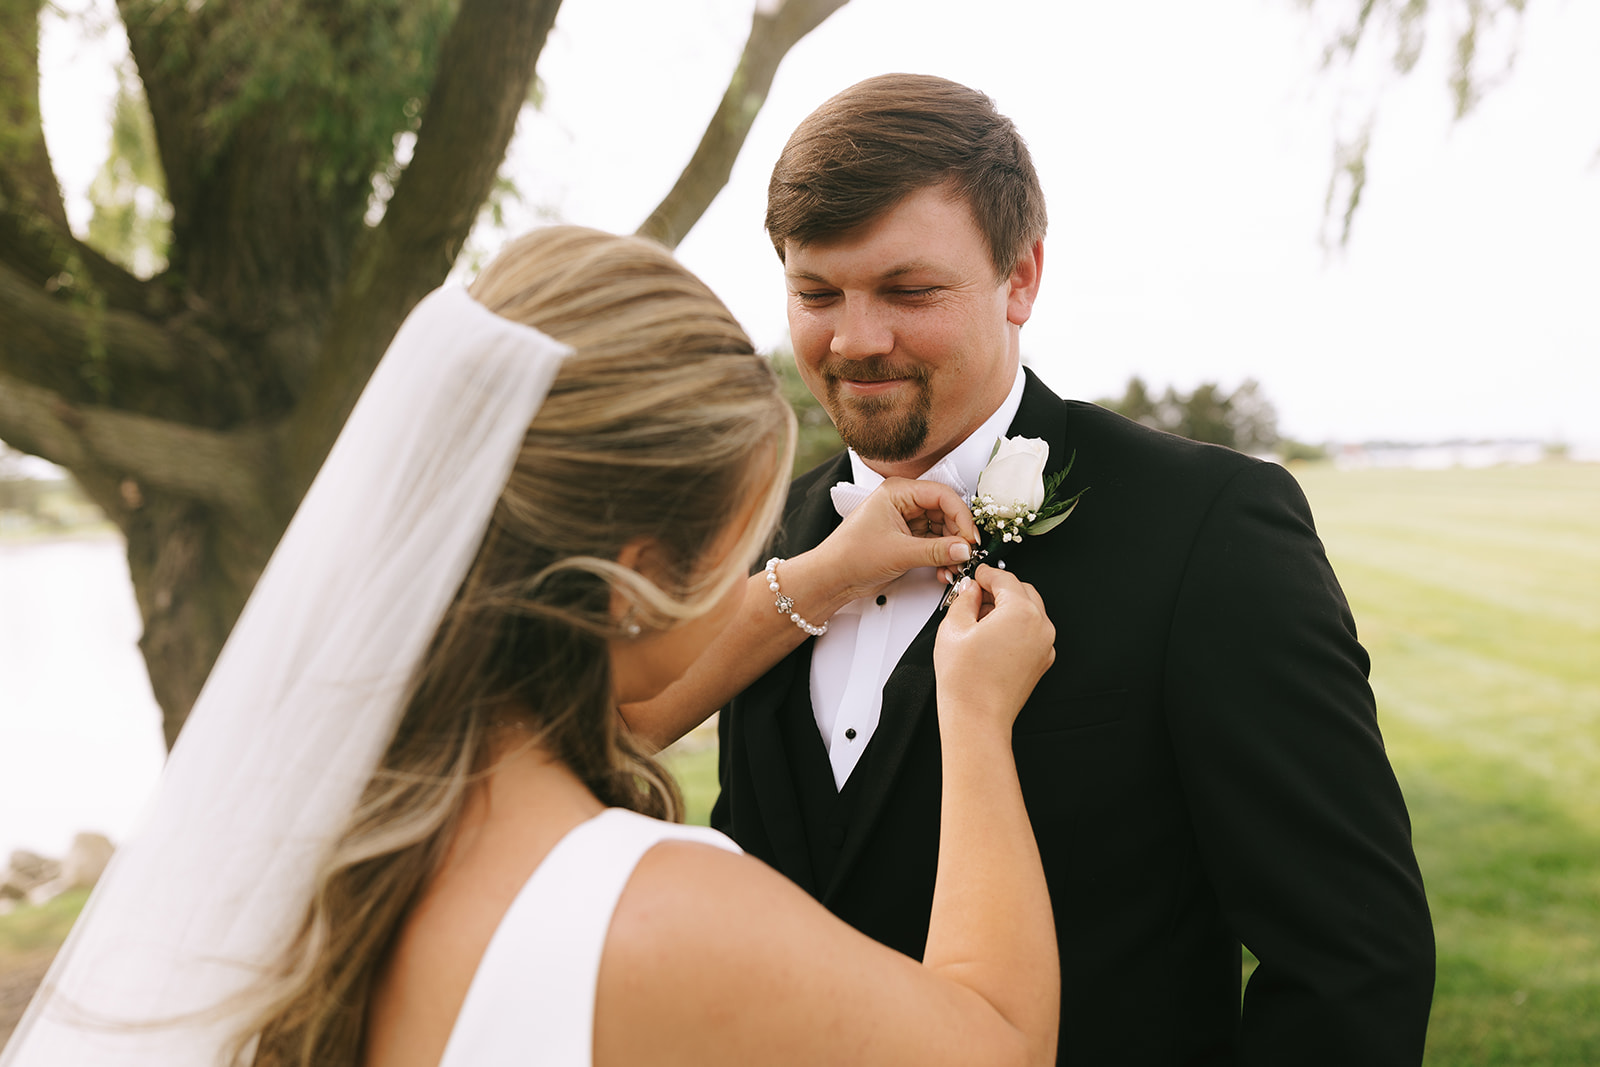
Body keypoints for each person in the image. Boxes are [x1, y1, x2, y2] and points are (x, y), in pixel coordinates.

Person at [0, 227, 1061, 1067]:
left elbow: (625, 703)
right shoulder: (652, 914)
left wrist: (824, 570)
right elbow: (999, 1043)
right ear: (638, 575)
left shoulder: (325, 825)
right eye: (742, 541)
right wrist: (972, 716)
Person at [636, 74, 1436, 1065]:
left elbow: (1353, 962)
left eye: (906, 290)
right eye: (816, 293)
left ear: (1021, 277)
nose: (854, 339)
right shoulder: (770, 542)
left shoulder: (1208, 529)